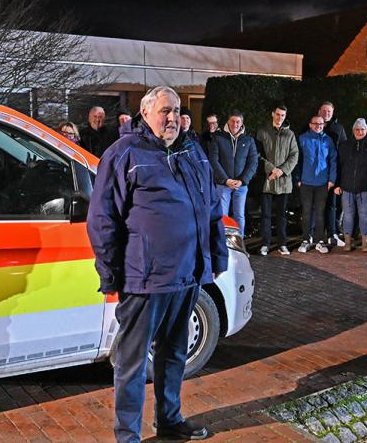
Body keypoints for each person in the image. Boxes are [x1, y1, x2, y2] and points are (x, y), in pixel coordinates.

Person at [87, 86, 226, 442]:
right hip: (144, 279)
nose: (172, 117)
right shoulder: (124, 154)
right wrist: (111, 274)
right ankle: (127, 436)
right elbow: (102, 220)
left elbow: (212, 207)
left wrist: (216, 256)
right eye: (165, 110)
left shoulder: (193, 152)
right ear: (146, 113)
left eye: (177, 110)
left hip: (187, 274)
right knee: (133, 363)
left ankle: (169, 419)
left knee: (175, 353)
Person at [335, 119, 367, 251]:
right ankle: (347, 242)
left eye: (362, 129)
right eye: (357, 129)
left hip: (365, 188)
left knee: (364, 214)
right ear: (353, 131)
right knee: (348, 215)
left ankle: (365, 242)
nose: (360, 132)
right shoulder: (345, 146)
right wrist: (337, 184)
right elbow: (338, 166)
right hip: (347, 187)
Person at [256, 104, 299, 256]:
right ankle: (265, 244)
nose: (280, 117)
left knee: (282, 215)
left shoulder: (290, 134)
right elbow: (257, 154)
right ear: (272, 114)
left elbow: (294, 155)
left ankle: (282, 244)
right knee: (266, 215)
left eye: (283, 115)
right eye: (278, 114)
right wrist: (271, 169)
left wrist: (281, 170)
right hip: (267, 180)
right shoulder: (262, 132)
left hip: (284, 181)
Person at [209, 110, 258, 235]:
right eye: (232, 121)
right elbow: (213, 161)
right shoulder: (218, 138)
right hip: (223, 185)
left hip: (241, 185)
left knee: (239, 215)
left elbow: (253, 162)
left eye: (238, 122)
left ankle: (238, 242)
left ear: (241, 123)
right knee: (222, 216)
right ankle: (222, 243)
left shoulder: (248, 140)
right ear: (228, 122)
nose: (235, 124)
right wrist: (226, 180)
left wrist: (242, 180)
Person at [294, 115, 338, 254]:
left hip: (323, 183)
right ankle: (306, 240)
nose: (318, 126)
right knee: (306, 212)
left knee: (320, 213)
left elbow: (333, 160)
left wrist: (332, 179)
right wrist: (297, 178)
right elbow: (296, 159)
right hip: (306, 182)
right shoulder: (302, 139)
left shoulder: (328, 140)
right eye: (316, 124)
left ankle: (319, 241)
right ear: (310, 124)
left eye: (321, 124)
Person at [318, 101, 348, 247]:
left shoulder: (339, 128)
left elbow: (344, 152)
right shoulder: (313, 125)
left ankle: (332, 234)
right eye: (324, 111)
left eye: (329, 111)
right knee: (316, 206)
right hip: (316, 174)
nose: (326, 114)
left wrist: (339, 178)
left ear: (333, 112)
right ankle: (315, 235)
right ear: (319, 111)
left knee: (332, 205)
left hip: (332, 173)